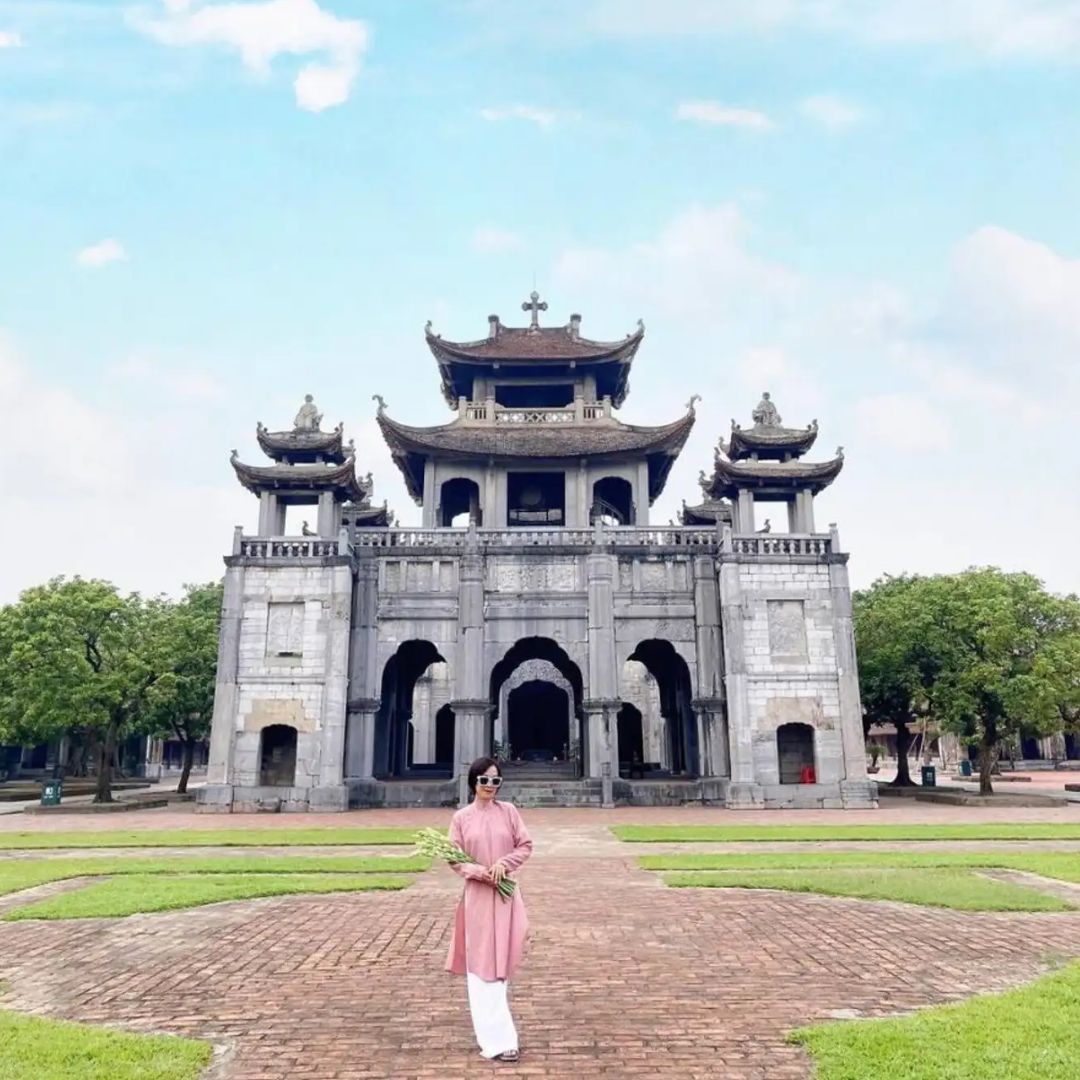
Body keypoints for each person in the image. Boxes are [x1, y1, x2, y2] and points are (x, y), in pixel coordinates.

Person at [445, 757, 533, 1063]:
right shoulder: (462, 818)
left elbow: (524, 845)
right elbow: (453, 858)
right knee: (482, 968)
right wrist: (482, 872)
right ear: (473, 783)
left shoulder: (508, 812)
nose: (490, 787)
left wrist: (502, 866)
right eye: (484, 780)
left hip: (506, 896)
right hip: (479, 897)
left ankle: (498, 1033)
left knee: (503, 962)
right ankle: (498, 1040)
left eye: (495, 781)